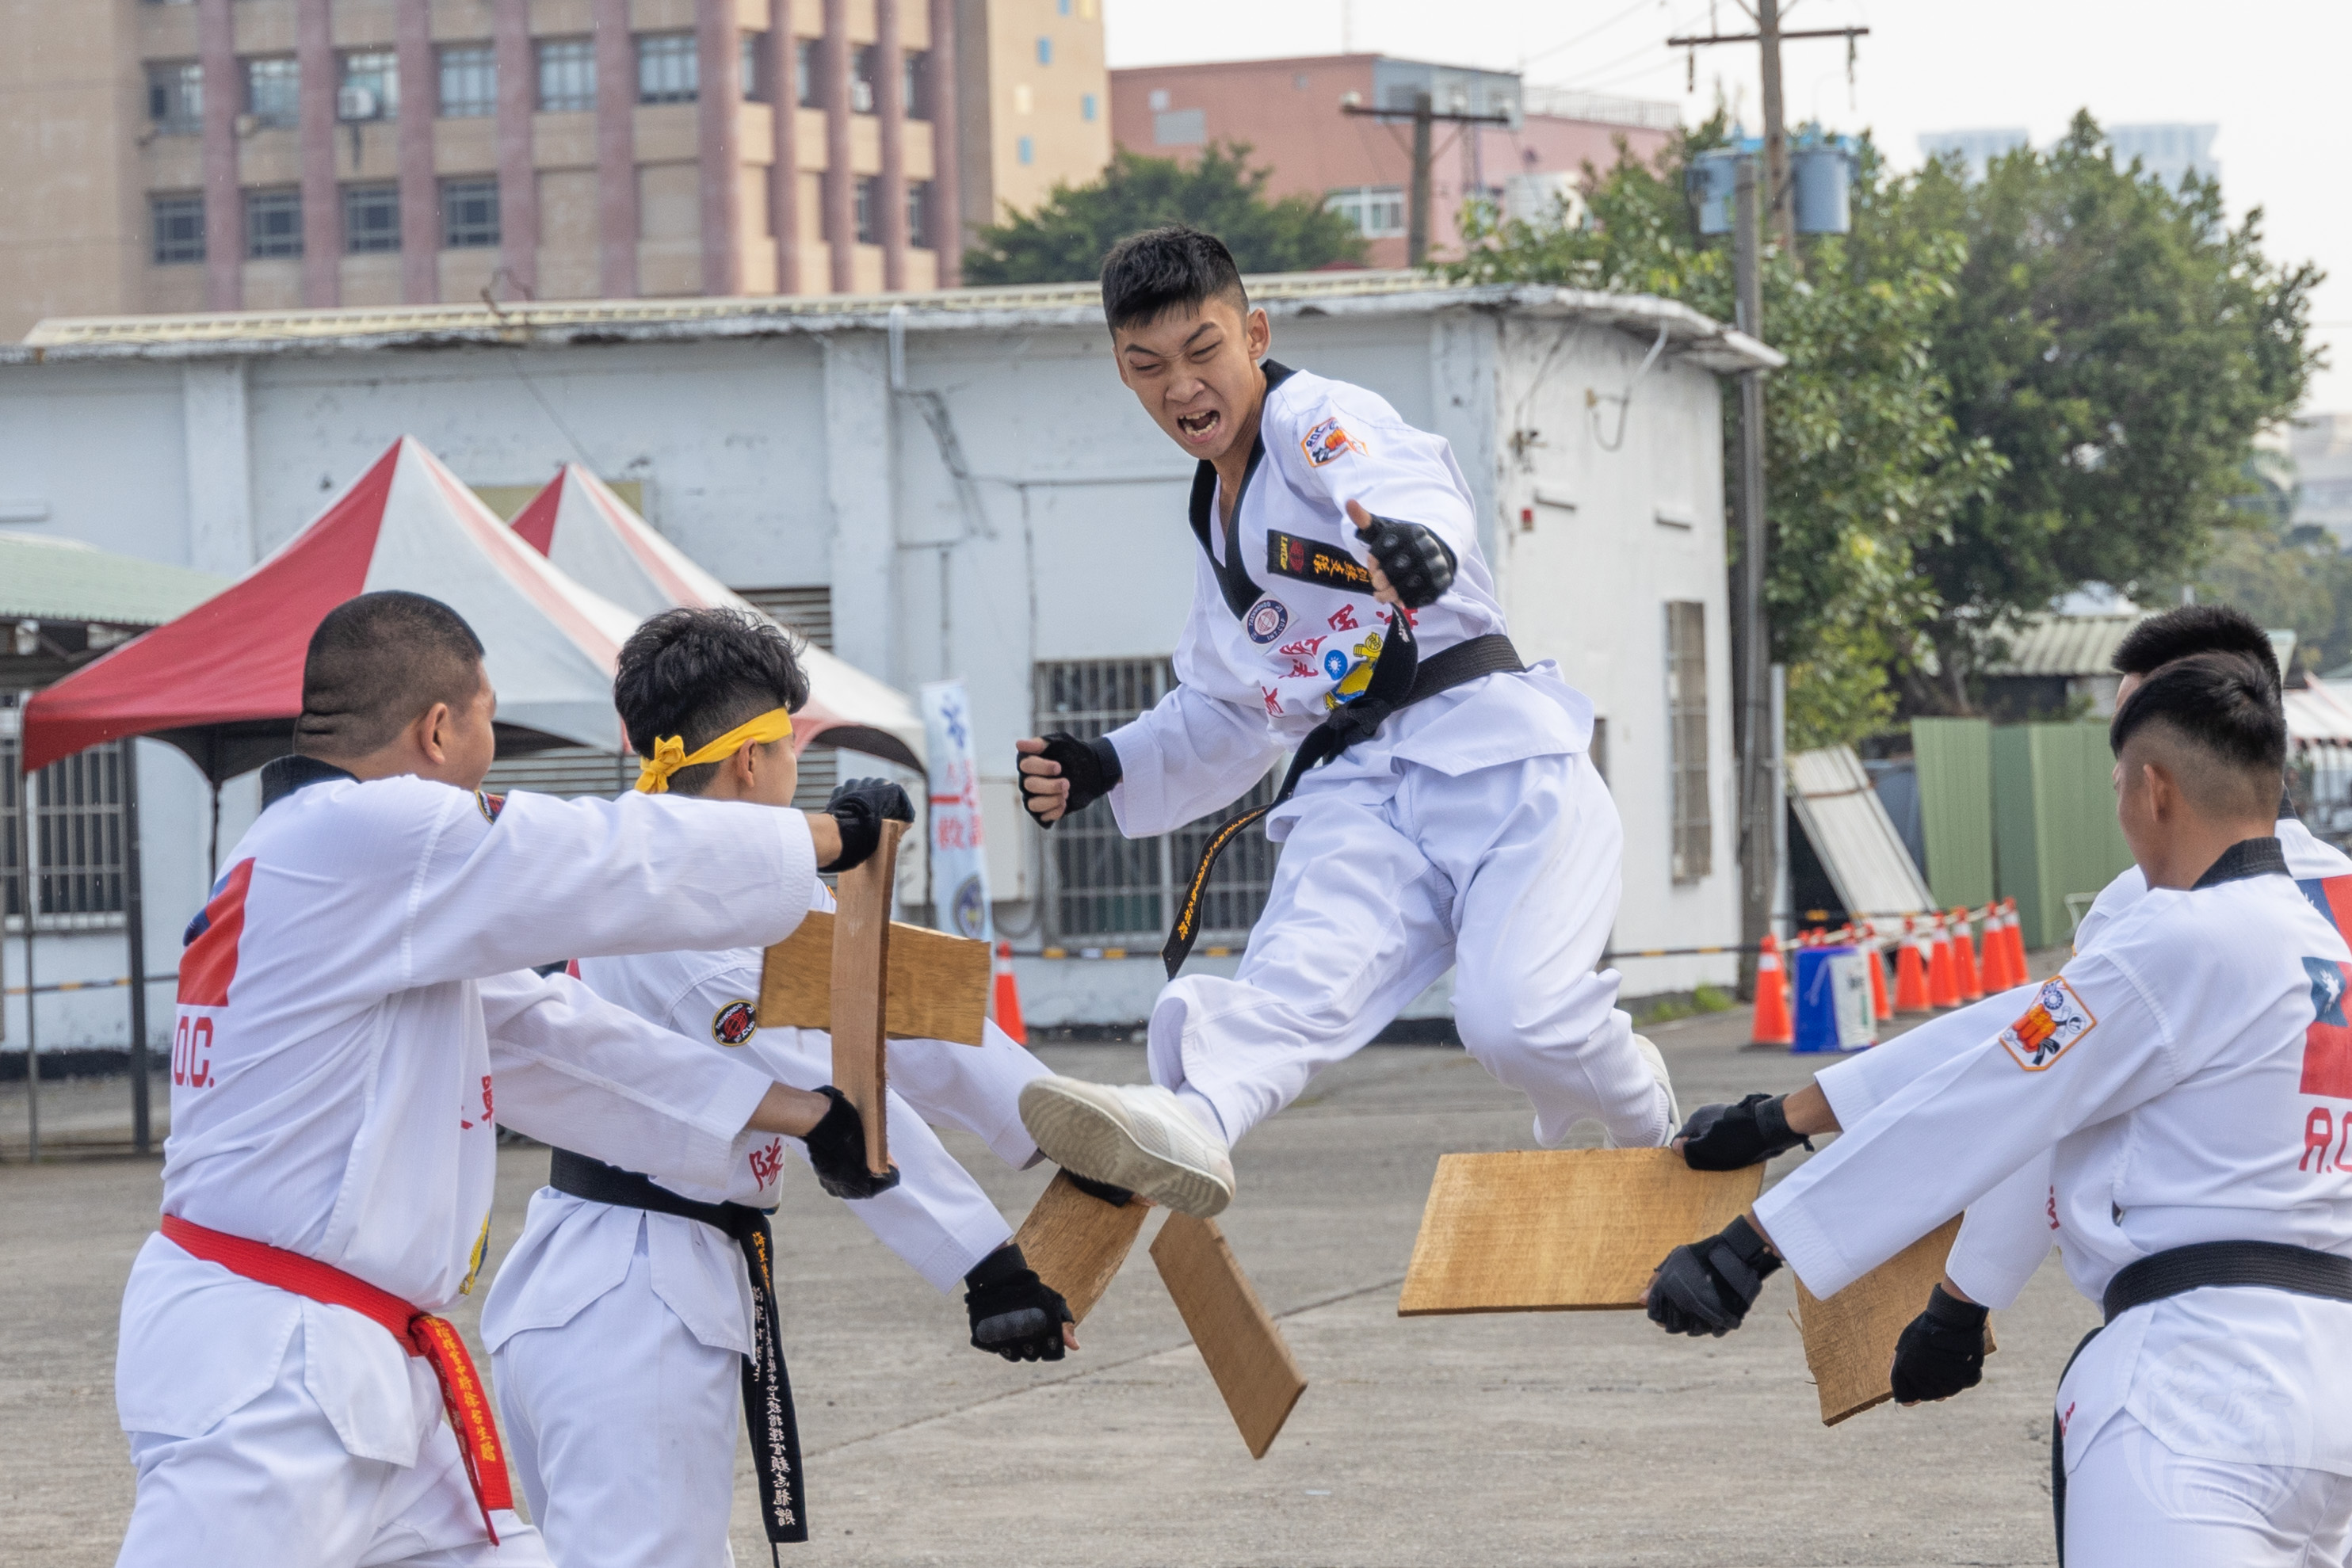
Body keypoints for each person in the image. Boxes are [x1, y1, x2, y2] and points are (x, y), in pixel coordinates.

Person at [115, 591, 900, 1568]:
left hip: (355, 1370)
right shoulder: (377, 835)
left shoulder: (325, 863)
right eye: (489, 715)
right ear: (439, 727)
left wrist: (796, 1113)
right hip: (271, 1377)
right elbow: (603, 855)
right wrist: (833, 837)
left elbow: (537, 1038)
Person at [1010, 225, 1673, 1217]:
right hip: (1359, 784)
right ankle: (1199, 1115)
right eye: (1147, 367)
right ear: (1123, 372)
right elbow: (1233, 703)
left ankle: (1649, 1123)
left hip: (1488, 752)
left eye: (1202, 351)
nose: (1181, 388)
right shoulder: (1214, 515)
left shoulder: (1313, 417)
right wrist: (1108, 759)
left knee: (1515, 1022)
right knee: (1300, 970)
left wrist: (1422, 552)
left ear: (1254, 334)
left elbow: (1396, 490)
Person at [1647, 650, 2352, 1566]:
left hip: (2195, 1390)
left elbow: (1997, 1094)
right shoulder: (2324, 942)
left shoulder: (2166, 931)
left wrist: (1752, 1242)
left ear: (2153, 787)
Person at [485, 607, 1094, 1568]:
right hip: (631, 1289)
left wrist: (1056, 1118)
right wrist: (985, 1265)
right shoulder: (677, 911)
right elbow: (832, 1082)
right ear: (750, 764)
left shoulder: (707, 870)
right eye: (790, 753)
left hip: (629, 1275)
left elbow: (886, 994)